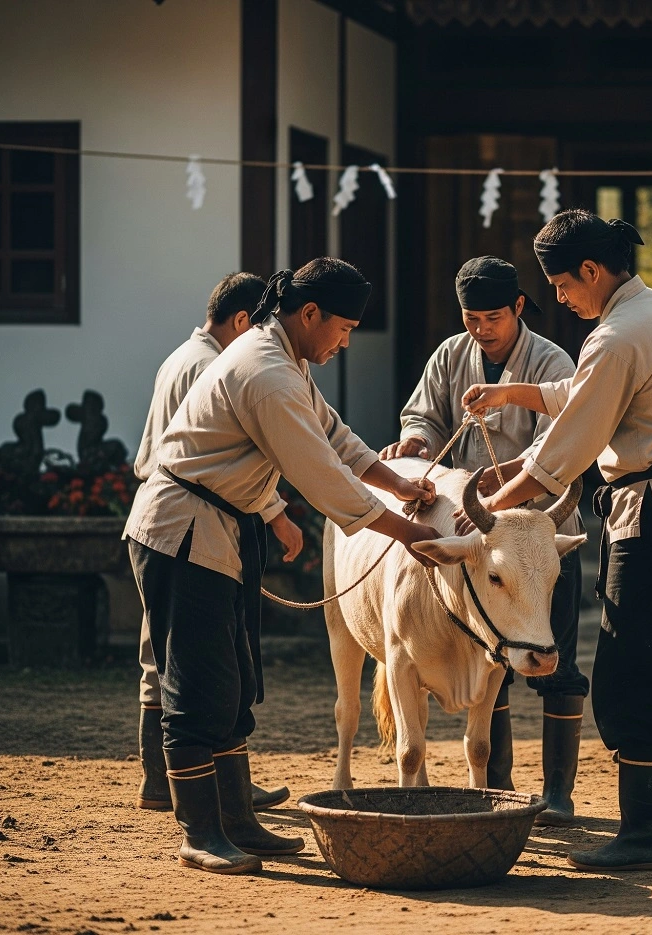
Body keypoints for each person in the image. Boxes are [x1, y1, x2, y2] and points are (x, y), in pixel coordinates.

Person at [125, 258, 440, 875]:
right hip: (182, 533)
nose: (346, 341)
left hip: (220, 530)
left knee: (235, 680)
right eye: (342, 328)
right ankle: (202, 831)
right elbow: (320, 476)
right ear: (309, 314)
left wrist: (397, 484)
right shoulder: (266, 370)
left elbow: (339, 441)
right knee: (199, 683)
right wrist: (409, 533)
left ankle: (238, 820)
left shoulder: (287, 361)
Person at [461, 210, 652, 871]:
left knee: (636, 668)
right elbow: (587, 394)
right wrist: (509, 395)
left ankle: (644, 835)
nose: (560, 299)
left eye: (560, 286)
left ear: (590, 271)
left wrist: (490, 508)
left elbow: (565, 449)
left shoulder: (615, 335)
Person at [379, 256, 589, 824]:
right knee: (490, 652)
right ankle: (494, 785)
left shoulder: (552, 361)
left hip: (541, 539)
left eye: (493, 316)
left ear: (519, 307)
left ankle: (558, 794)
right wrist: (416, 446)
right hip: (473, 547)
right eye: (471, 318)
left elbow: (557, 452)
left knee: (554, 660)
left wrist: (499, 493)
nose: (481, 329)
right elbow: (421, 418)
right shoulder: (450, 355)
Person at [133, 272, 302, 814]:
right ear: (242, 322)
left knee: (164, 660)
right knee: (196, 667)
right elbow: (235, 451)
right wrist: (277, 516)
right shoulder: (217, 365)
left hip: (171, 517)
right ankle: (196, 800)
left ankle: (177, 786)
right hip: (190, 521)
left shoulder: (178, 357)